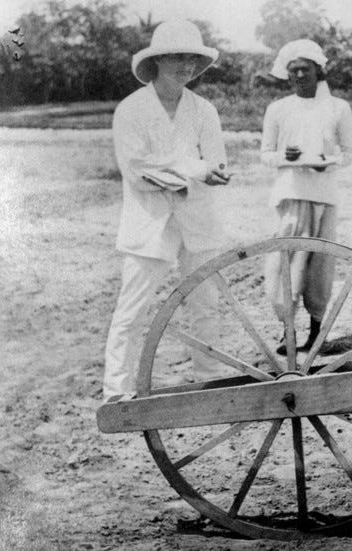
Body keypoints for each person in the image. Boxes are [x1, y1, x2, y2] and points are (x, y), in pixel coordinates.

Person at [103, 19, 231, 402]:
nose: (185, 66)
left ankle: (210, 381)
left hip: (199, 219)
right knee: (132, 310)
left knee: (206, 305)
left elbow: (217, 163)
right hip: (150, 222)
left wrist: (199, 171)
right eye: (176, 57)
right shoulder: (131, 110)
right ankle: (117, 391)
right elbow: (137, 171)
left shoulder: (204, 110)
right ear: (157, 61)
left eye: (191, 59)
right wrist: (195, 169)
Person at [260, 39, 352, 354]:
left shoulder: (338, 108)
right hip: (290, 193)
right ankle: (287, 331)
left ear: (318, 70)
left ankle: (316, 333)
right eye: (294, 70)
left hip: (324, 194)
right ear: (287, 74)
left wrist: (326, 162)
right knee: (286, 263)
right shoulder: (278, 109)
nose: (300, 75)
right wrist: (285, 157)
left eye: (305, 69)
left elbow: (349, 152)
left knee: (320, 266)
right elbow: (266, 154)